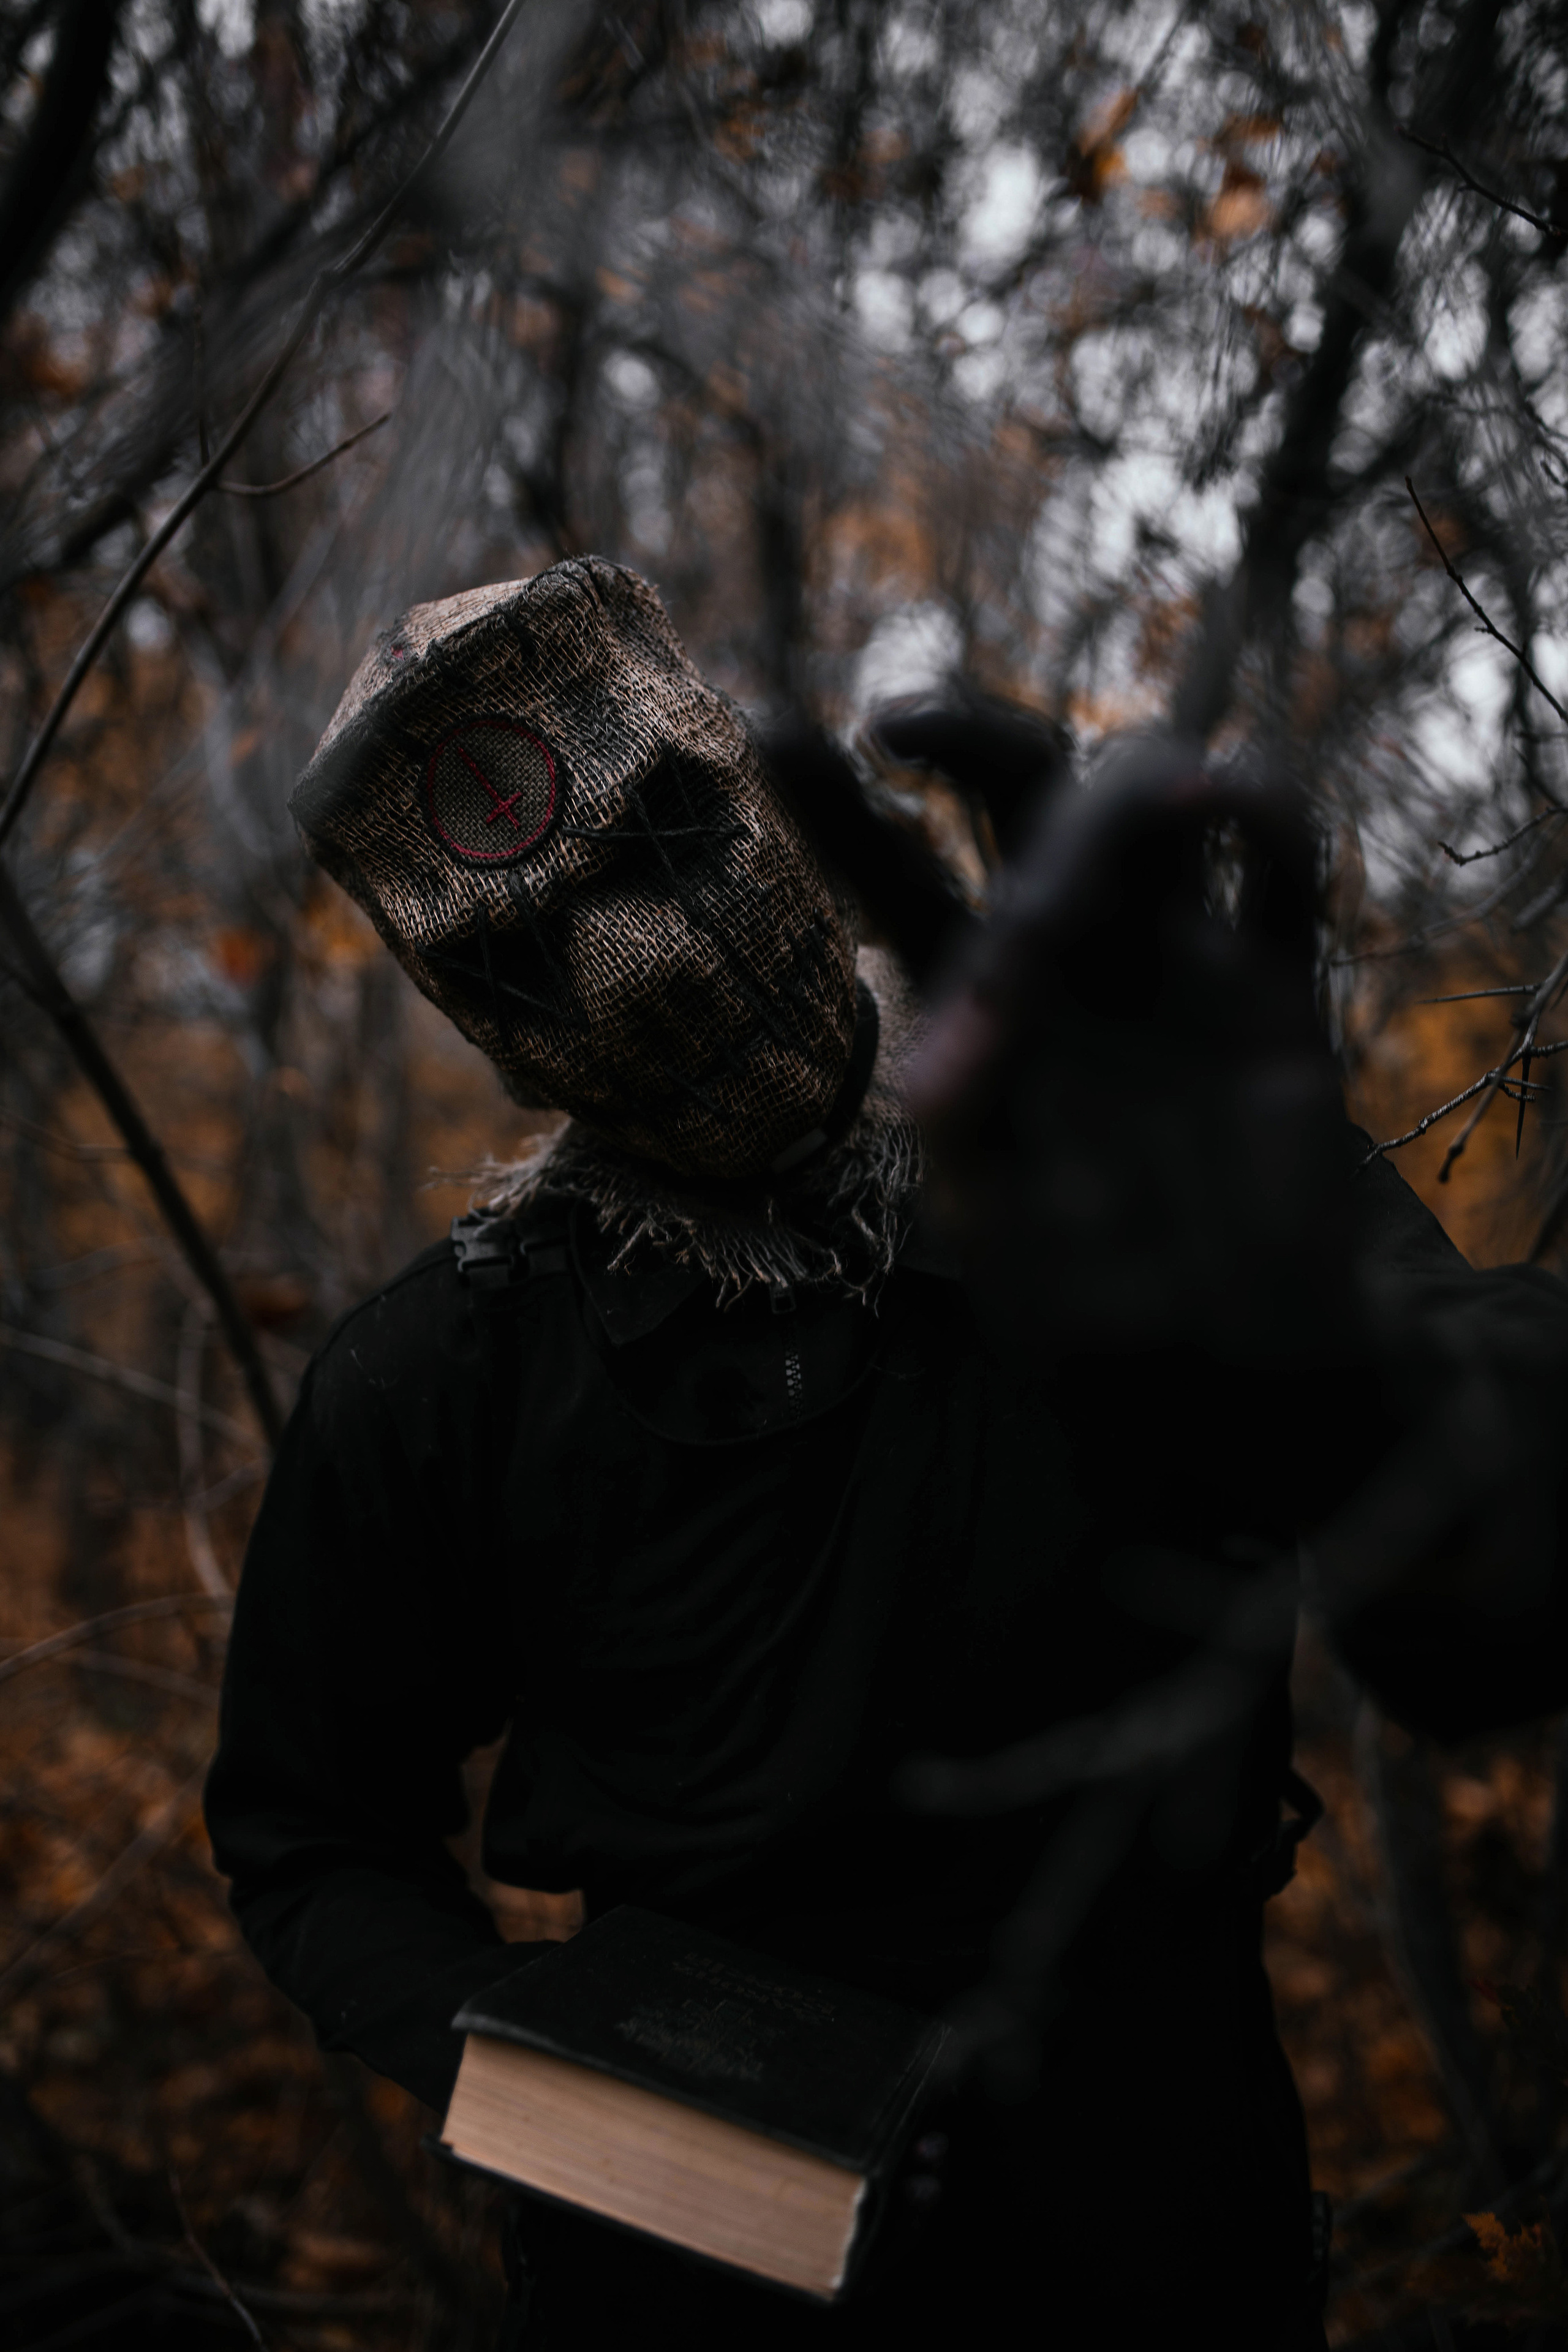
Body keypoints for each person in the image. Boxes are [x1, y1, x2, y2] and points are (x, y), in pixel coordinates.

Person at [205, 556, 1568, 2349]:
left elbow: (1504, 1536)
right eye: (532, 945)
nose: (647, 963)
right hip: (687, 2278)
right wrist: (536, 2076)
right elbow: (313, 1825)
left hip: (1153, 2221)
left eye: (670, 839)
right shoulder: (442, 1373)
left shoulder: (1117, 1168)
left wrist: (1337, 1356)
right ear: (479, 1020)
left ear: (754, 795)